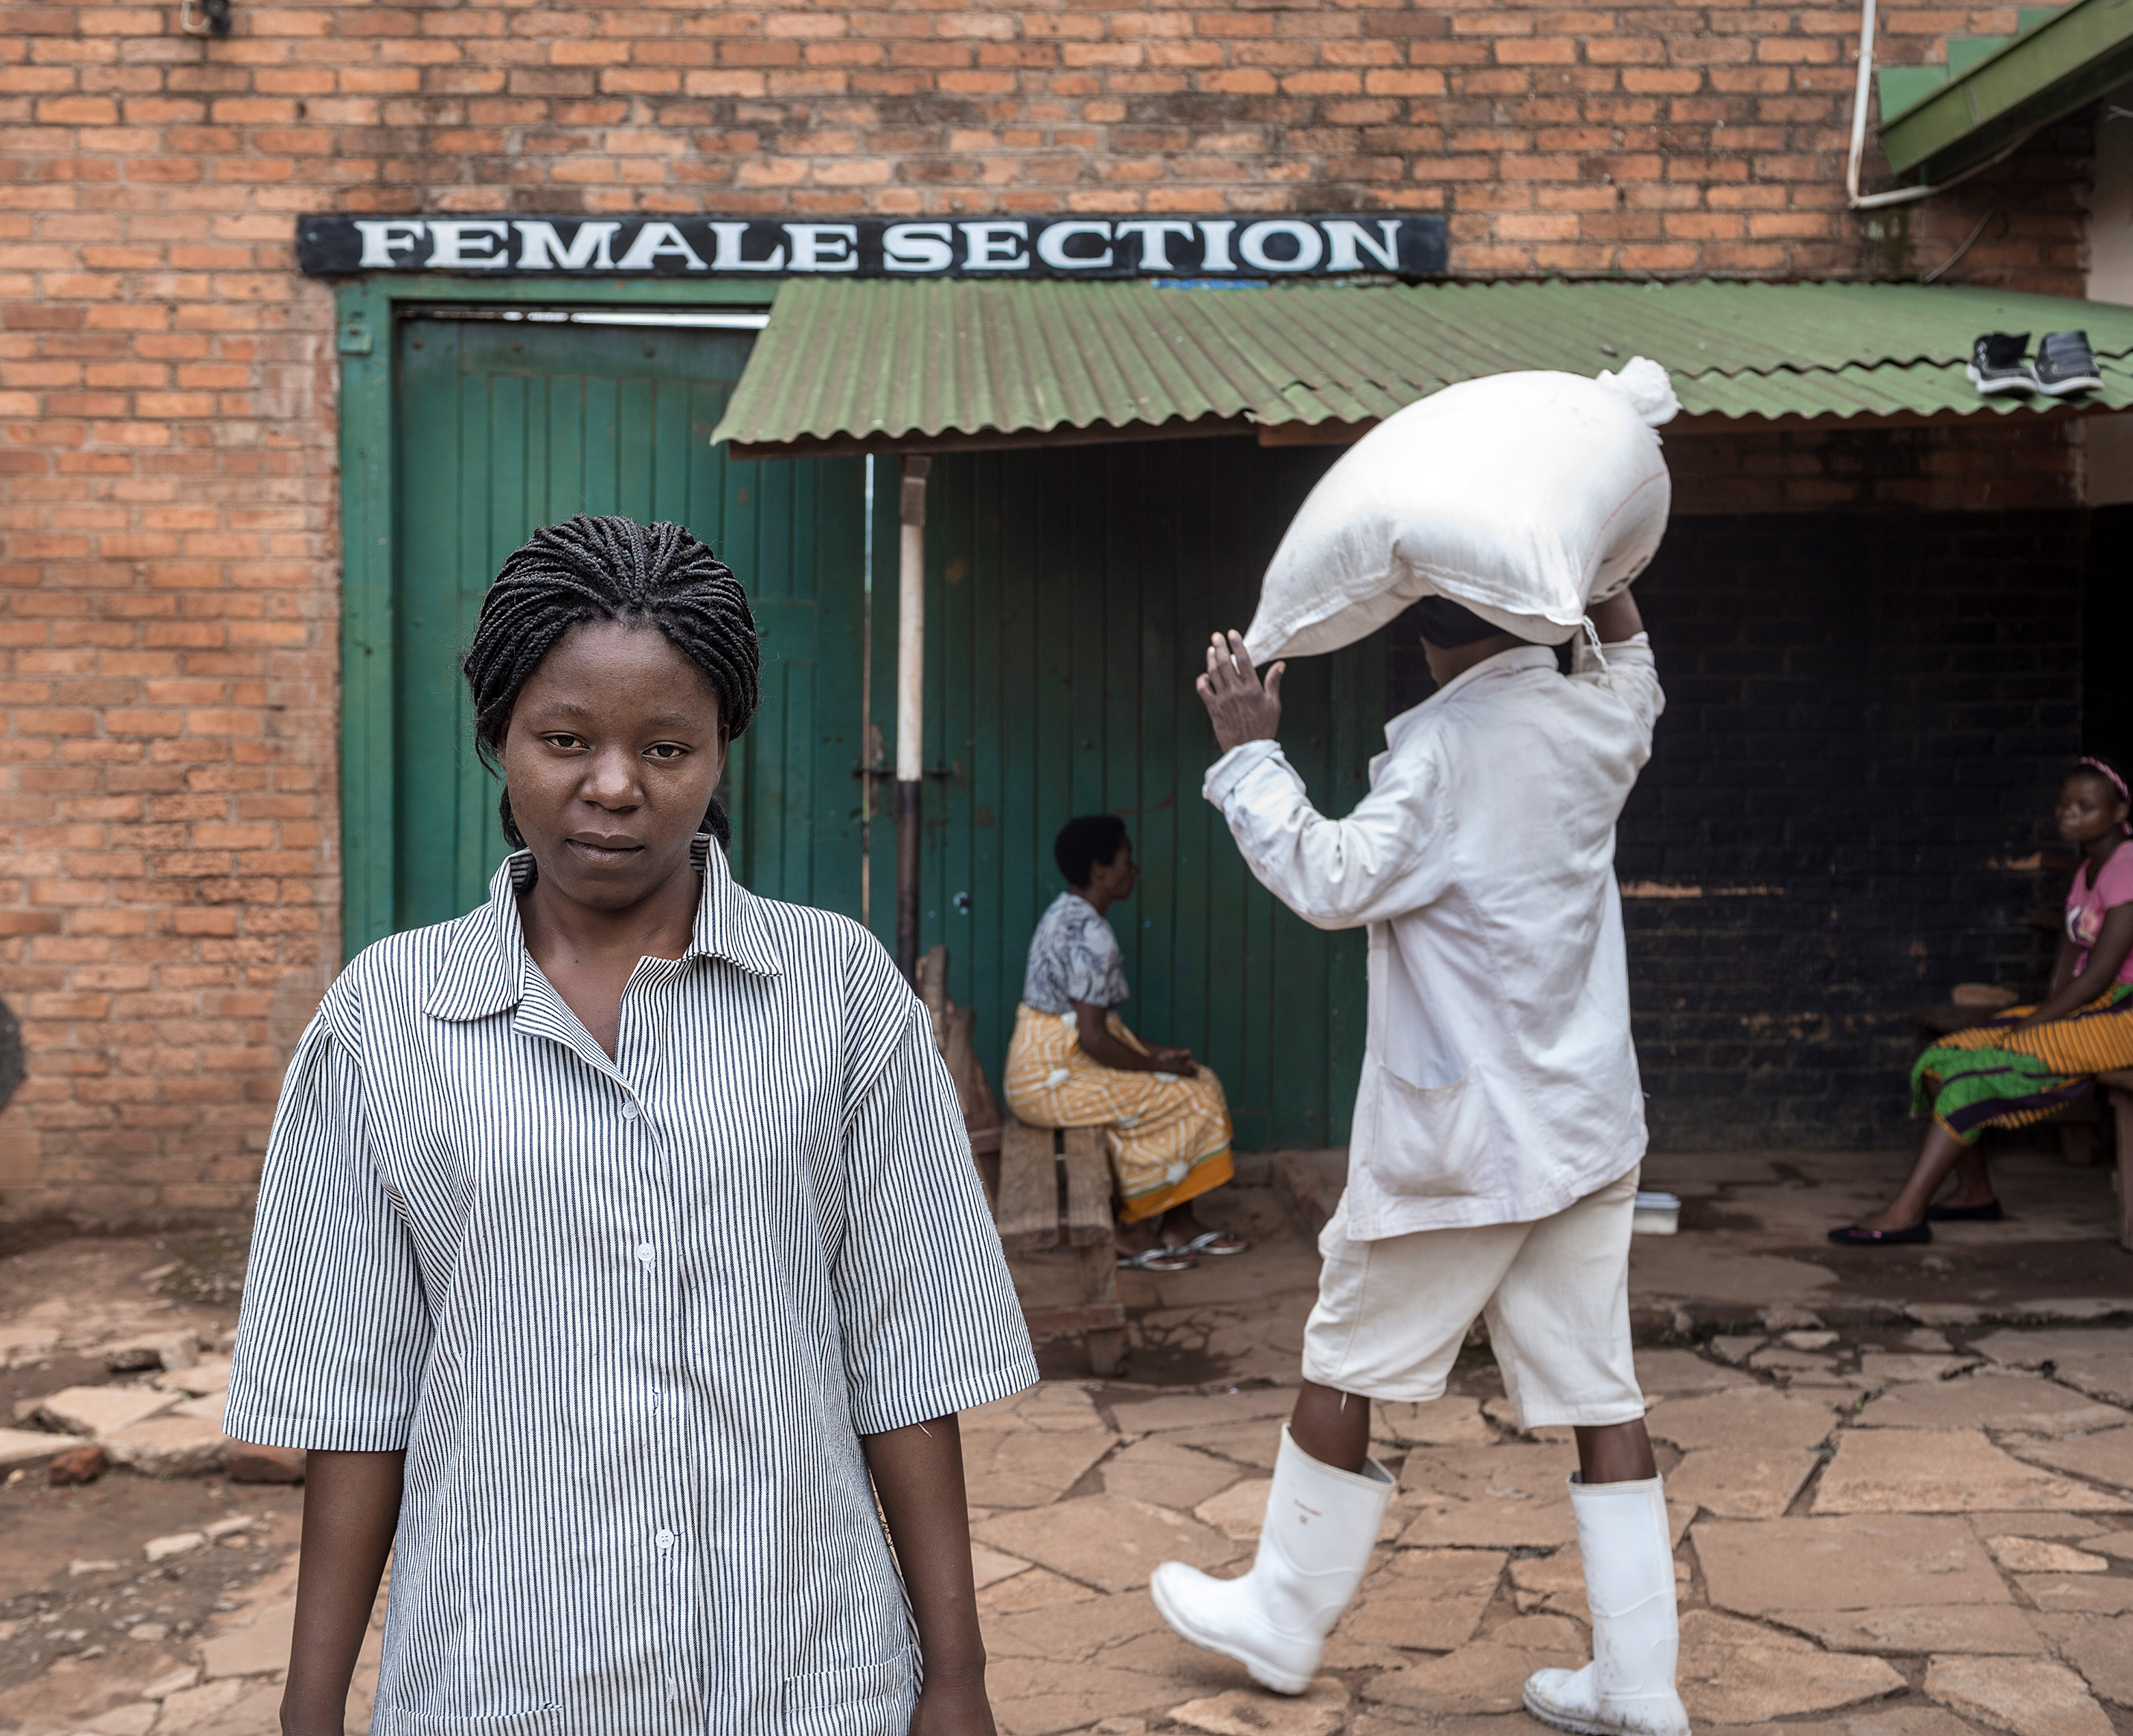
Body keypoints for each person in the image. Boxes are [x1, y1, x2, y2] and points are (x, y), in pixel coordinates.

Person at [224, 516, 1036, 1736]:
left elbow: (905, 1348)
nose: (614, 783)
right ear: (498, 735)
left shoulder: (838, 992)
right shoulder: (386, 1019)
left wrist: (956, 1676)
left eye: (667, 744)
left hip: (804, 1672)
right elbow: (355, 1397)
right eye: (565, 739)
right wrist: (309, 1708)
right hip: (500, 1677)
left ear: (721, 752)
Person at [1156, 591, 1684, 1736]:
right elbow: (1634, 665)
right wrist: (1595, 562)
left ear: (1424, 633)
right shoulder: (1599, 717)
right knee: (1602, 1386)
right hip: (1585, 1124)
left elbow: (1333, 881)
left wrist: (1253, 754)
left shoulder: (1447, 747)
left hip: (1466, 1143)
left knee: (1345, 1356)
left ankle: (1285, 1620)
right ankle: (1641, 1684)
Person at [1834, 756, 2133, 1245]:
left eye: (2085, 806)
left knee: (1970, 1077)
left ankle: (1905, 1214)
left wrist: (2035, 1028)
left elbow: (2098, 976)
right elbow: (2072, 955)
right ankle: (1975, 1194)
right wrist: (2042, 1017)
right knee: (1945, 1058)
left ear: (2119, 811)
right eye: (2064, 803)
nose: (2069, 813)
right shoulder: (2092, 868)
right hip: (2100, 1009)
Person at [1002, 816, 1249, 1270]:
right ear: (1099, 871)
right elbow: (1094, 1039)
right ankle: (1142, 1225)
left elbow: (1099, 1027)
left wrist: (1156, 1055)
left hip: (1044, 1067)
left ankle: (1173, 1221)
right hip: (1051, 1081)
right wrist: (1164, 1068)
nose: (1133, 871)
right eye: (1126, 862)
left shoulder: (1063, 912)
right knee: (1190, 1094)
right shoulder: (1092, 934)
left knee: (1194, 1082)